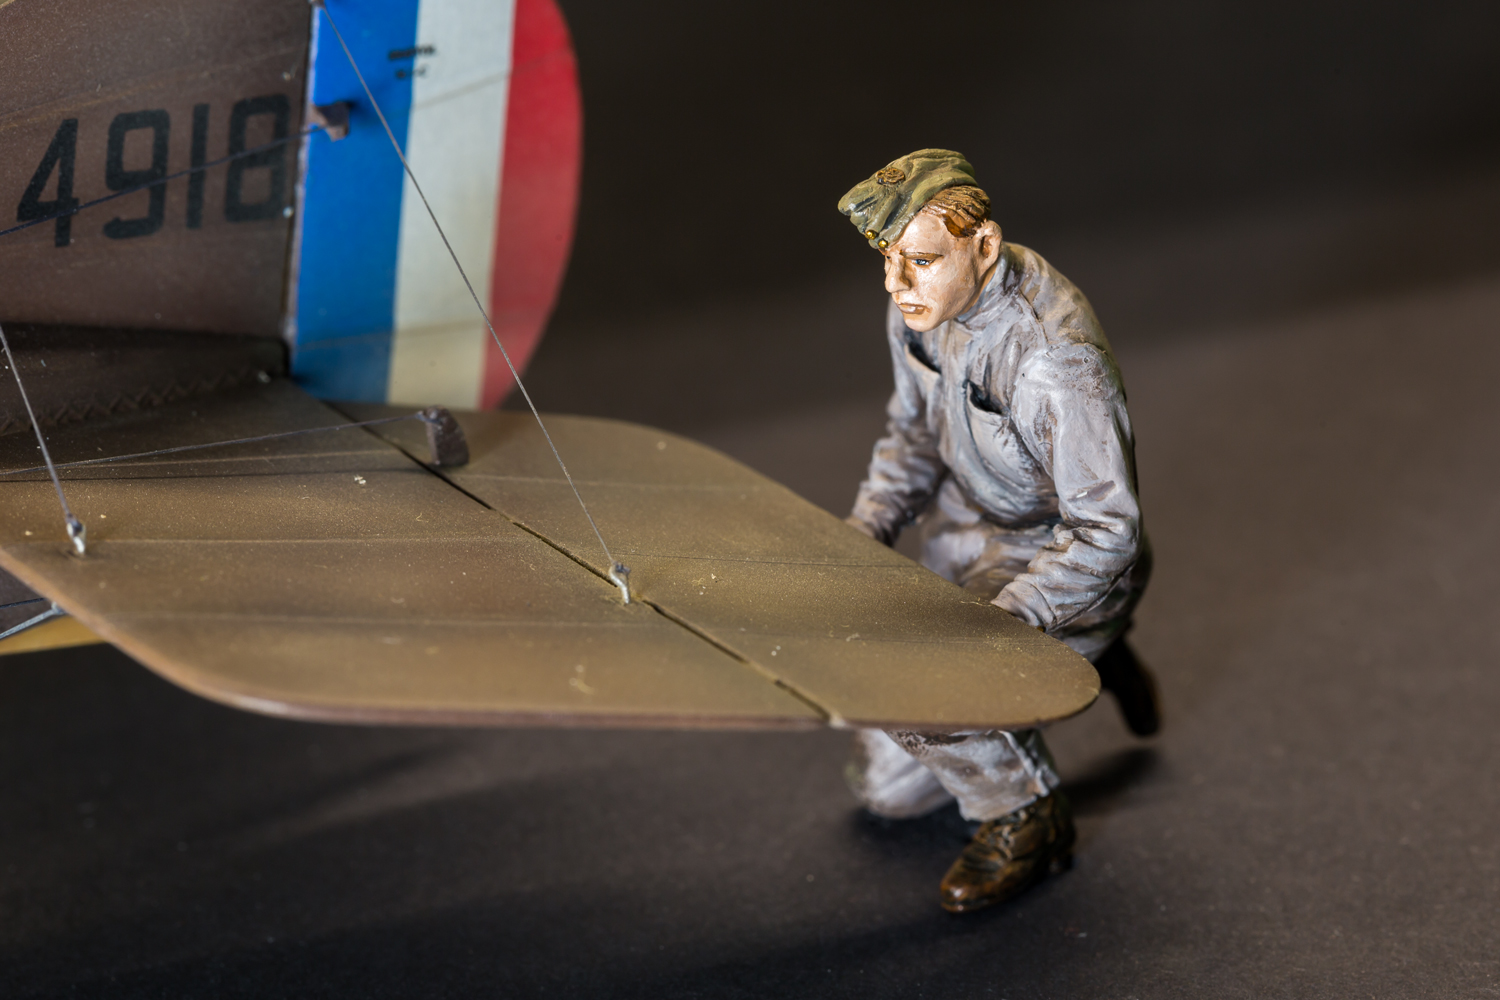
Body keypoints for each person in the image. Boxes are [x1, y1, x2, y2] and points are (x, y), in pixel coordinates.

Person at [838, 149, 1160, 913]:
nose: (895, 282)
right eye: (887, 260)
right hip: (963, 539)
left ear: (983, 247)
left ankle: (1027, 818)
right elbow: (912, 436)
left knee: (933, 689)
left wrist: (1005, 626)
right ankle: (1092, 656)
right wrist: (861, 534)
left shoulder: (1056, 361)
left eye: (919, 261)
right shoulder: (919, 303)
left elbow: (1106, 529)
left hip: (1062, 559)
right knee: (886, 792)